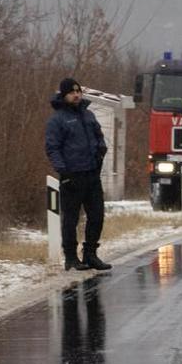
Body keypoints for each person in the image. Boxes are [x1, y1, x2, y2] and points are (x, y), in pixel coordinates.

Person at [44, 77, 111, 272]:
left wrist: (100, 154)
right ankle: (71, 258)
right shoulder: (57, 120)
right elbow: (52, 148)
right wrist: (63, 172)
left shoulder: (88, 115)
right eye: (72, 92)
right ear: (64, 95)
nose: (76, 95)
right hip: (72, 176)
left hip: (92, 174)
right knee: (71, 219)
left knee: (97, 216)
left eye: (78, 91)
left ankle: (90, 254)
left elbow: (100, 138)